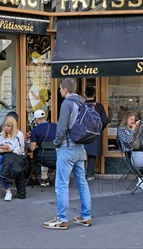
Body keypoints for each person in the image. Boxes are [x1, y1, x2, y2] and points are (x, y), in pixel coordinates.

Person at [43, 78, 92, 230]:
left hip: (68, 147)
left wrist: (56, 144)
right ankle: (86, 216)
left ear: (65, 89)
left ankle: (62, 219)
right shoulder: (82, 102)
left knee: (62, 184)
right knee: (82, 183)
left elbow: (62, 128)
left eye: (60, 88)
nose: (59, 91)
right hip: (80, 148)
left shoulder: (67, 103)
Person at [83, 87, 109, 181]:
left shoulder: (81, 106)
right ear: (94, 95)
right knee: (92, 154)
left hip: (83, 133)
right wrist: (99, 130)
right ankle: (89, 174)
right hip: (95, 133)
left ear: (85, 95)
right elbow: (105, 120)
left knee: (81, 153)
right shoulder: (99, 106)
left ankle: (81, 175)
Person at [29, 109, 57, 186]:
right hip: (57, 157)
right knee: (46, 153)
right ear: (45, 117)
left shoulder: (36, 130)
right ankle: (45, 178)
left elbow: (32, 148)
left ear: (37, 119)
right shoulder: (55, 126)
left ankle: (44, 178)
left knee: (41, 153)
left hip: (42, 158)